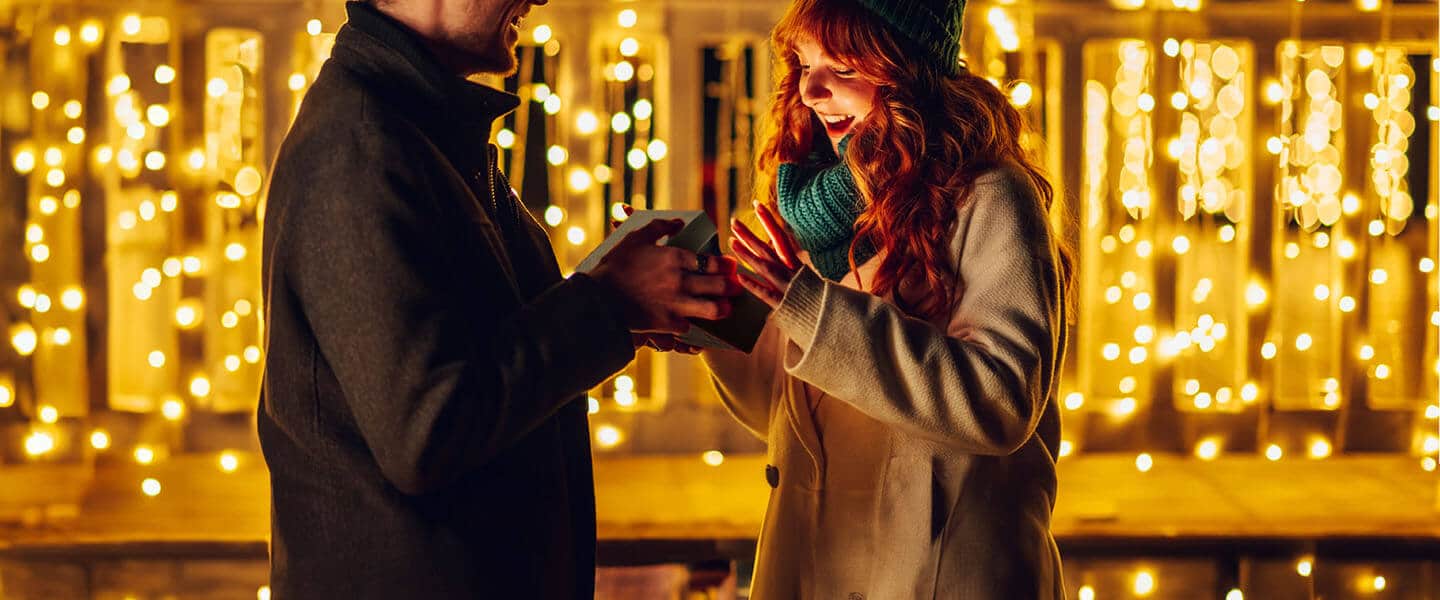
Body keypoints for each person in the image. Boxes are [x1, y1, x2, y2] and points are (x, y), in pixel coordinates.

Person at [257, 0, 738, 597]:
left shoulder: (424, 125)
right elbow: (427, 429)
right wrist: (604, 304)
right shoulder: (363, 146)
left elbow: (465, 347)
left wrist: (618, 301)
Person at [702, 0, 1074, 597]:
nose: (813, 90)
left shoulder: (991, 196)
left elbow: (1001, 400)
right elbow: (795, 417)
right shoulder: (820, 214)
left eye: (844, 69)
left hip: (939, 574)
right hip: (821, 564)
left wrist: (807, 307)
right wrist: (715, 316)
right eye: (803, 63)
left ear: (907, 69)